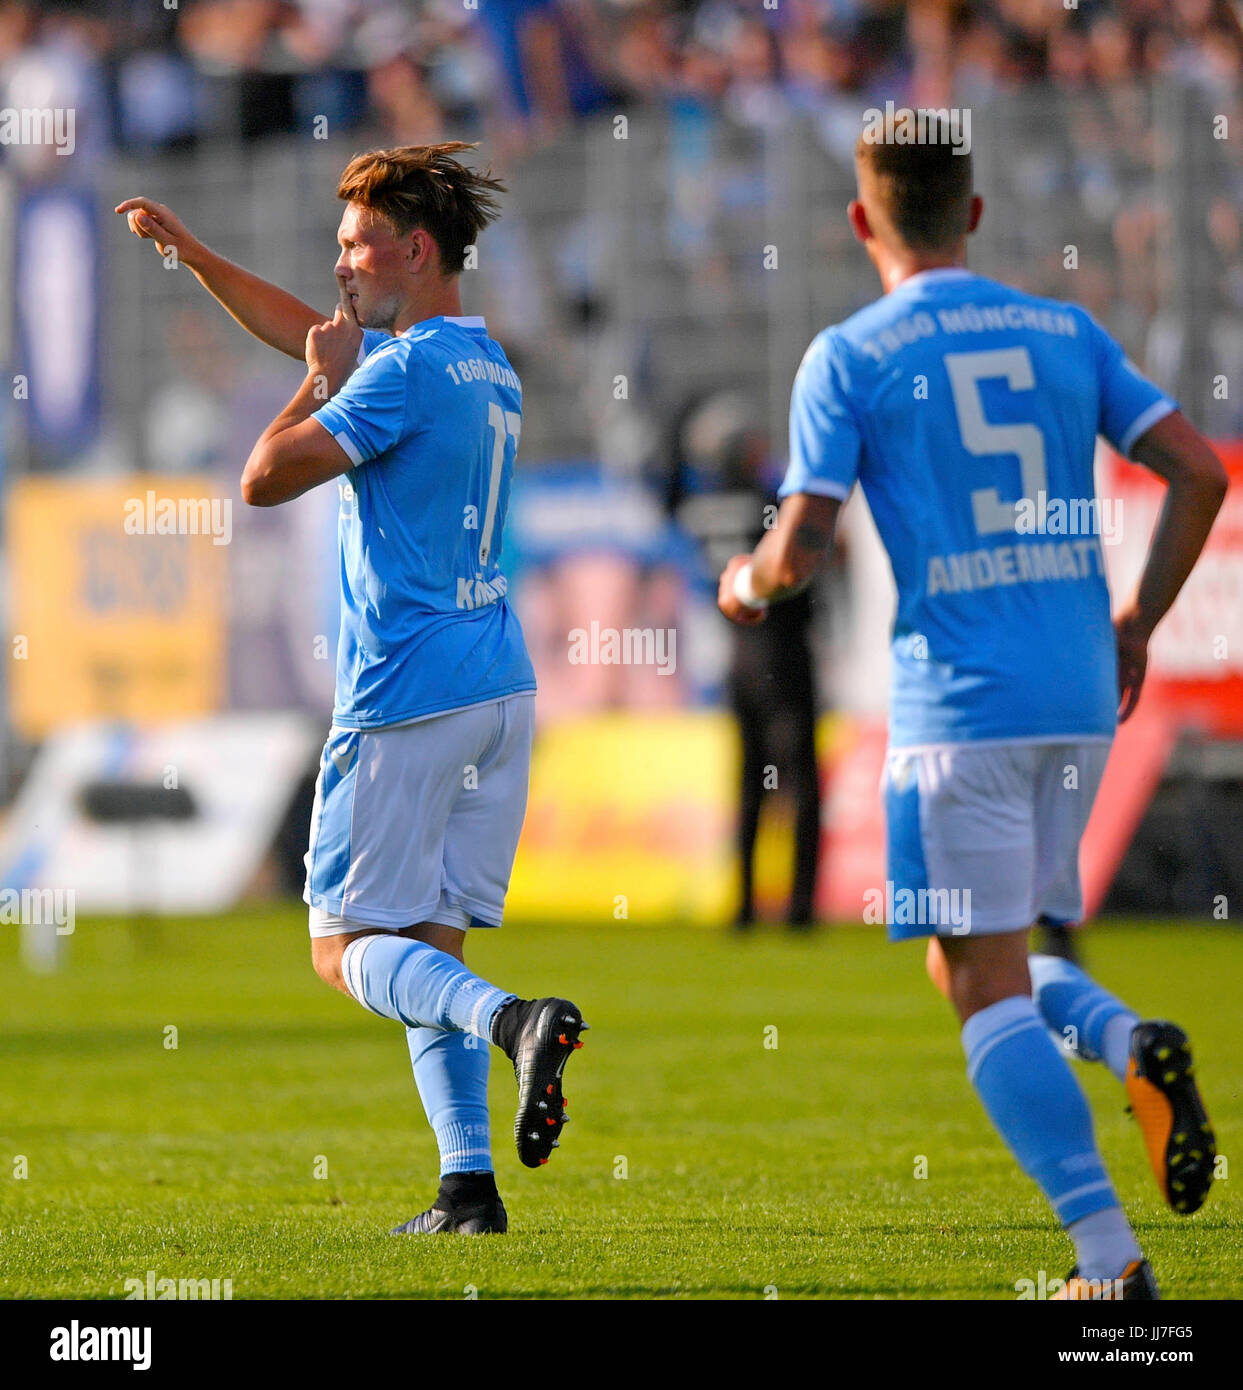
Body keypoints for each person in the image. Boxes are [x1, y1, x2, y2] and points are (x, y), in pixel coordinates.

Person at [717, 116, 1226, 1299]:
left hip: (959, 710)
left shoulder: (848, 353)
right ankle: (1124, 1042)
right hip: (1080, 697)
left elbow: (797, 549)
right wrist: (1138, 619)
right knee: (975, 963)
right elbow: (1196, 471)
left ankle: (1107, 1264)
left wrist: (743, 585)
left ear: (860, 222)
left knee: (978, 983)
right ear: (976, 213)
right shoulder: (1066, 329)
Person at [117, 143, 587, 1238]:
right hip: (497, 690)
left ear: (414, 251)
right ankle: (467, 1189)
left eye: (356, 246)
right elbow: (311, 328)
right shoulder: (482, 361)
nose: (340, 266)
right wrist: (197, 258)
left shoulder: (400, 373)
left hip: (405, 692)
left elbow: (264, 474)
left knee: (342, 949)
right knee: (425, 942)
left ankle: (516, 1021)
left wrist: (320, 381)